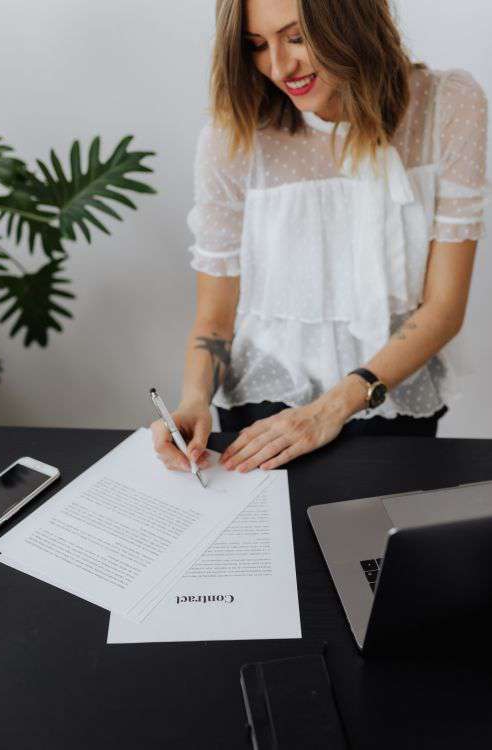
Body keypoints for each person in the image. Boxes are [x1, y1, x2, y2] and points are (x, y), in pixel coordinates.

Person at [152, 0, 490, 475]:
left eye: (295, 38)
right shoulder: (232, 138)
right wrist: (192, 400)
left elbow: (443, 308)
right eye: (256, 46)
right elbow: (215, 317)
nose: (278, 66)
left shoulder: (449, 106)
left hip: (390, 398)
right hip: (259, 415)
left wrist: (329, 411)